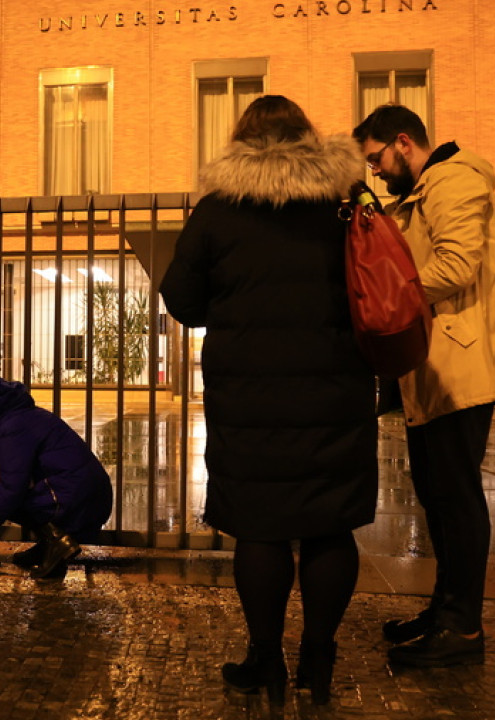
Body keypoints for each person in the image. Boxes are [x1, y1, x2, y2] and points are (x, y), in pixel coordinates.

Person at [160, 96, 378, 706]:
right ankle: (318, 659)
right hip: (336, 391)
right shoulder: (344, 201)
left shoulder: (218, 210)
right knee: (330, 526)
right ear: (307, 136)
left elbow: (182, 300)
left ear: (242, 141)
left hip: (249, 398)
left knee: (261, 528)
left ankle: (267, 661)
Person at [352, 104, 495, 667]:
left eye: (377, 159)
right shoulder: (422, 192)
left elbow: (455, 266)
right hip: (432, 368)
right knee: (437, 495)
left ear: (404, 142)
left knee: (456, 498)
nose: (376, 171)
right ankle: (445, 609)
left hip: (459, 367)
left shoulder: (455, 180)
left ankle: (462, 626)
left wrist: (387, 297)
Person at [0, 360, 113, 579]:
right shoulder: (3, 420)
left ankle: (59, 543)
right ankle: (48, 544)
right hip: (75, 492)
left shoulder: (14, 426)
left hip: (82, 499)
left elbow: (10, 488)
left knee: (3, 494)